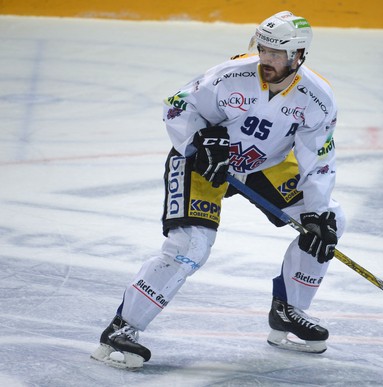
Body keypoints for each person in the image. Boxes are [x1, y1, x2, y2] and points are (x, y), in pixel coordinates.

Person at [91, 10, 345, 369]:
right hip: (203, 164)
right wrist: (199, 139)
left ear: (298, 55)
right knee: (191, 246)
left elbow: (317, 157)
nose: (266, 59)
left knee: (330, 218)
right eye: (263, 48)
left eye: (276, 53)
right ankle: (123, 329)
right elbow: (176, 107)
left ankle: (289, 310)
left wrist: (316, 213)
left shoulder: (317, 99)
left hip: (263, 164)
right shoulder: (231, 75)